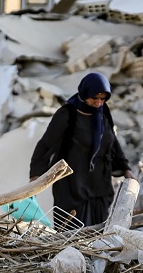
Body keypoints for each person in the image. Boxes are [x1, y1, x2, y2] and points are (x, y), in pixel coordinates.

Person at [29, 72, 135, 227]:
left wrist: (125, 168)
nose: (99, 103)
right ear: (85, 94)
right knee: (72, 234)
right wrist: (35, 175)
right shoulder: (68, 114)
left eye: (103, 99)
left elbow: (111, 141)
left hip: (99, 186)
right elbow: (46, 144)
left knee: (100, 234)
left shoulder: (103, 113)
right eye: (95, 98)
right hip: (72, 187)